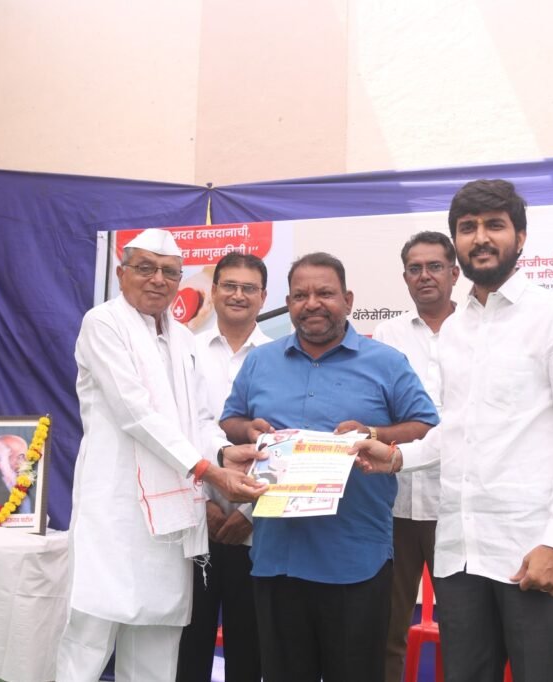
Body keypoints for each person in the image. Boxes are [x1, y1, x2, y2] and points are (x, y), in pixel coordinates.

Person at [354, 179, 553, 682]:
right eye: (467, 228)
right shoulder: (457, 329)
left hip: (529, 549)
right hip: (460, 555)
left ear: (521, 237)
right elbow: (456, 430)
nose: (481, 238)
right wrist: (398, 457)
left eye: (495, 225)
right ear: (457, 242)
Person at [56, 228, 266, 682]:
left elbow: (199, 421)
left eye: (170, 272)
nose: (158, 280)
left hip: (171, 519)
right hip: (115, 511)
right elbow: (134, 413)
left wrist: (226, 454)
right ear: (121, 273)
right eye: (146, 268)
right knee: (88, 640)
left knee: (158, 644)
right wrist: (207, 470)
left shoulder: (184, 339)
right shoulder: (103, 323)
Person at [220, 252, 439, 682]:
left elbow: (426, 426)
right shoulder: (260, 361)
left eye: (325, 293)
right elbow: (231, 419)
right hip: (277, 557)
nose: (312, 304)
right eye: (300, 295)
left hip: (355, 557)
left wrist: (375, 433)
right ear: (288, 303)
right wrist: (247, 429)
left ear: (348, 300)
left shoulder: (386, 361)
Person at [177, 253, 270, 682]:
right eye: (229, 285)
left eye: (249, 288)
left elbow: (286, 438)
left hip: (257, 527)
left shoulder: (280, 357)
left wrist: (249, 513)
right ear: (212, 292)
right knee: (188, 643)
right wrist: (203, 503)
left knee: (249, 647)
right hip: (192, 519)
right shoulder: (184, 352)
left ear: (264, 296)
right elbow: (174, 432)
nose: (238, 295)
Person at [373, 230, 459, 682]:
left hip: (458, 505)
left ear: (455, 273)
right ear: (405, 277)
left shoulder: (478, 330)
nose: (425, 276)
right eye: (415, 268)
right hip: (395, 505)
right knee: (386, 629)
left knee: (465, 631)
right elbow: (377, 409)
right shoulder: (387, 336)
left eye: (435, 267)